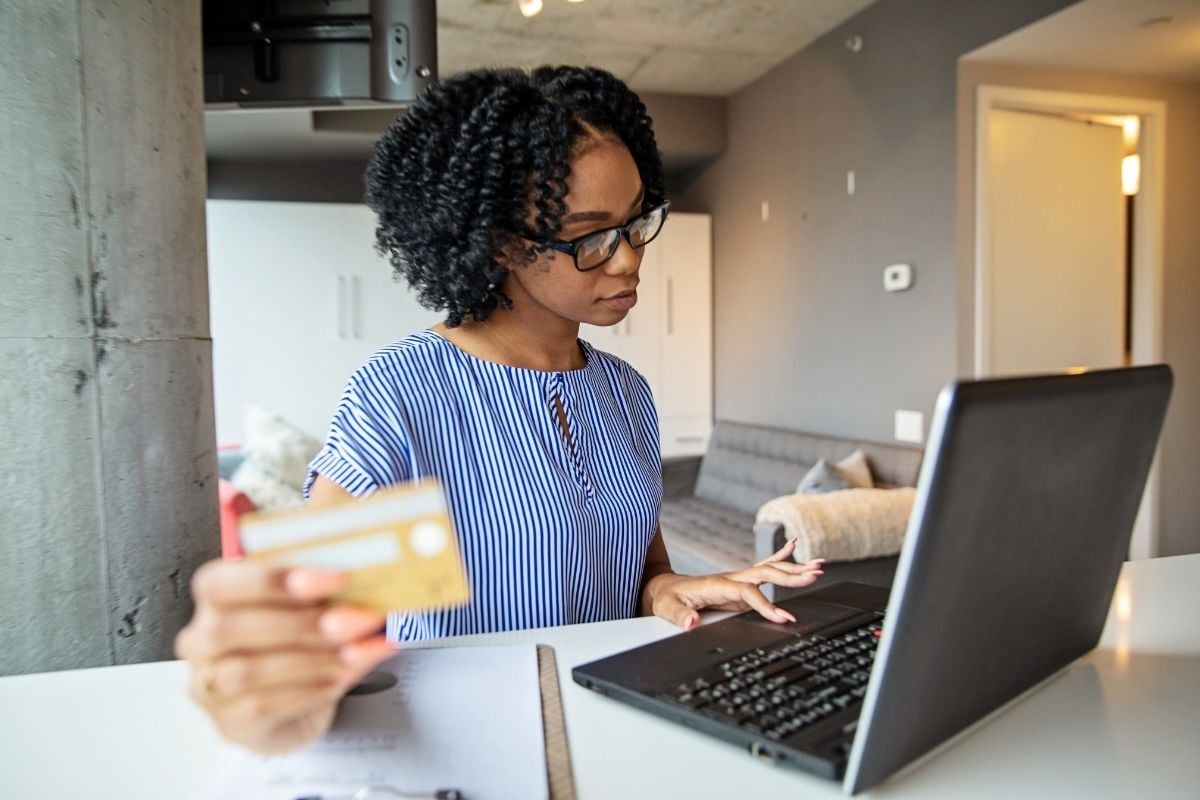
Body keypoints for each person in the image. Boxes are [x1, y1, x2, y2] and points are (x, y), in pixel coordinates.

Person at [175, 65, 825, 755]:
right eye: (592, 237)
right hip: (479, 748)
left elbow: (636, 570)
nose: (630, 260)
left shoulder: (626, 391)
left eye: (638, 221)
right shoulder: (401, 393)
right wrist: (259, 679)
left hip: (619, 729)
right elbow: (316, 626)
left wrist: (671, 590)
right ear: (503, 243)